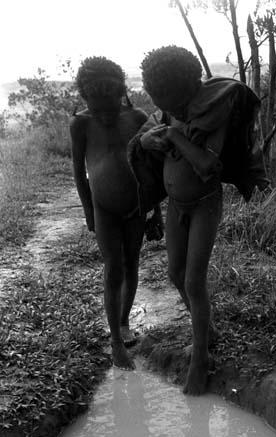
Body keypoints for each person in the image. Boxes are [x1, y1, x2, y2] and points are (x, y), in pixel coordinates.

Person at [133, 45, 268, 395]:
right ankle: (206, 330)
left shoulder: (212, 108)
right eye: (165, 105)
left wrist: (176, 137)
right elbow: (149, 132)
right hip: (178, 205)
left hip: (205, 203)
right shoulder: (171, 106)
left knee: (194, 281)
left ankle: (200, 359)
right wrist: (150, 139)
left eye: (174, 105)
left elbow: (208, 165)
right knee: (175, 273)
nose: (171, 111)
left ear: (189, 89)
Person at [70, 56, 163, 370]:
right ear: (86, 98)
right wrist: (88, 211)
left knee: (132, 262)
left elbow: (150, 168)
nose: (104, 112)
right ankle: (114, 342)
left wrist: (157, 212)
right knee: (114, 269)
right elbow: (78, 172)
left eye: (110, 103)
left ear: (121, 93)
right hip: (104, 209)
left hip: (136, 207)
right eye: (97, 105)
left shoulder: (136, 117)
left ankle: (123, 322)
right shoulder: (80, 123)